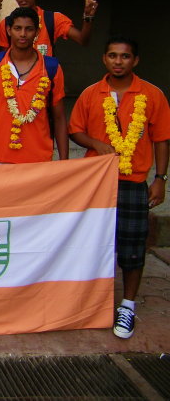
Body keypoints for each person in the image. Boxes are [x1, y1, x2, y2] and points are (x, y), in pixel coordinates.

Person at [69, 36, 170, 339]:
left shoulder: (152, 95)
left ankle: (127, 305)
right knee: (90, 244)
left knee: (132, 246)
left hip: (133, 182)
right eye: (112, 55)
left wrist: (160, 178)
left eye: (125, 56)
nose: (118, 61)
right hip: (96, 183)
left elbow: (161, 139)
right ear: (104, 59)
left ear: (135, 61)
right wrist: (96, 143)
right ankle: (86, 303)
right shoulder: (91, 93)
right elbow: (75, 130)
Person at [0, 7, 68, 164]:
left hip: (38, 159)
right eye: (17, 28)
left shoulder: (51, 68)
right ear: (8, 30)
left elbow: (59, 118)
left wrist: (64, 162)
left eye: (29, 29)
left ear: (37, 32)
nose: (23, 34)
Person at [0, 0, 99, 56]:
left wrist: (88, 16)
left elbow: (83, 40)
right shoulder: (6, 23)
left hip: (45, 74)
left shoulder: (53, 19)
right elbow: (3, 60)